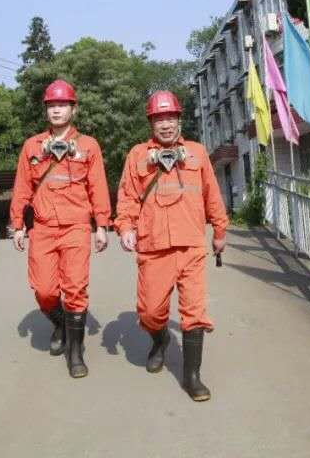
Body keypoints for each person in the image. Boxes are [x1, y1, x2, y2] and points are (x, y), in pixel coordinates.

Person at [114, 90, 228, 401]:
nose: (165, 124)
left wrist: (219, 229)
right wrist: (125, 227)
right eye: (159, 119)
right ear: (151, 123)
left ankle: (192, 378)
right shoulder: (137, 155)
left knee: (194, 312)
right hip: (153, 247)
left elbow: (211, 193)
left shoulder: (197, 153)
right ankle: (160, 339)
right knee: (150, 312)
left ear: (179, 119)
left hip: (191, 245)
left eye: (170, 118)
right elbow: (127, 196)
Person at [9, 79, 110, 378]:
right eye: (51, 105)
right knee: (44, 290)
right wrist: (18, 224)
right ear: (46, 110)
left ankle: (75, 353)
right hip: (42, 228)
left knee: (75, 288)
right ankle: (61, 323)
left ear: (73, 109)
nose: (56, 110)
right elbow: (22, 187)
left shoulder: (89, 146)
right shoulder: (32, 146)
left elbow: (98, 187)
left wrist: (102, 225)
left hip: (76, 226)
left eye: (62, 105)